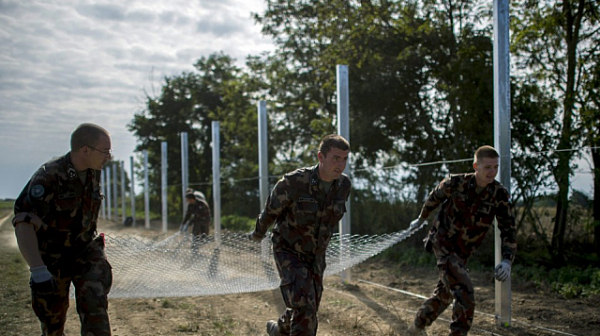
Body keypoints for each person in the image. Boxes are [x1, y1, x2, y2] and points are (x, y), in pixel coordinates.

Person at [13, 123, 113, 336]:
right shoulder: (48, 176)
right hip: (52, 258)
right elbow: (23, 222)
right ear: (85, 150)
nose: (109, 157)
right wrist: (38, 269)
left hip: (86, 251)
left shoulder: (94, 171)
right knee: (53, 322)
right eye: (105, 151)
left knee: (95, 306)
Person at [406, 145, 517, 336]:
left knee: (445, 294)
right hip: (442, 243)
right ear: (476, 166)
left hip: (463, 252)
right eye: (487, 167)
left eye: (495, 167)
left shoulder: (499, 195)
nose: (492, 172)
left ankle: (417, 326)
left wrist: (507, 260)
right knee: (465, 292)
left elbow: (508, 229)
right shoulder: (456, 183)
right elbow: (434, 198)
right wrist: (421, 219)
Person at [248, 134, 352, 336]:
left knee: (306, 306)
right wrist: (257, 234)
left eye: (345, 159)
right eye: (336, 158)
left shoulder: (343, 186)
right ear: (321, 157)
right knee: (305, 308)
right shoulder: (294, 182)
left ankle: (279, 329)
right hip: (289, 251)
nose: (341, 165)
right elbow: (270, 211)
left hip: (316, 257)